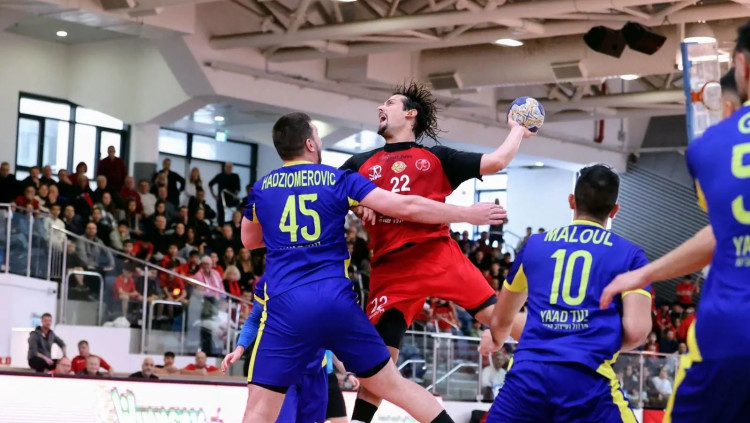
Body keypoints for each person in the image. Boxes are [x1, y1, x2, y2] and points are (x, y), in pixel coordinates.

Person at [223, 112, 505, 423]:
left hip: (285, 308)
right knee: (394, 386)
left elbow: (249, 240)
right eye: (317, 135)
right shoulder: (337, 179)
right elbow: (407, 206)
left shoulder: (262, 188)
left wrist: (286, 235)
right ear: (310, 144)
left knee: (259, 410)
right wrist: (467, 214)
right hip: (335, 304)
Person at [339, 81, 532, 422]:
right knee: (378, 365)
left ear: (410, 114)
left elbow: (497, 161)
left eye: (390, 102)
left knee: (496, 318)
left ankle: (566, 346)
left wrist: (518, 129)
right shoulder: (358, 164)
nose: (381, 107)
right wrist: (356, 202)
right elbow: (330, 193)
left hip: (436, 254)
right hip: (390, 269)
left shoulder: (437, 158)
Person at [599, 30, 750, 421]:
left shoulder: (710, 147)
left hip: (729, 333)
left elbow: (723, 231)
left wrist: (644, 274)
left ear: (742, 66)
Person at [481, 164, 653, 422]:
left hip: (527, 379)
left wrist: (497, 337)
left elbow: (500, 319)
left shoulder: (534, 246)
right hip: (587, 381)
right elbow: (637, 331)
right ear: (614, 210)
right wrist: (588, 334)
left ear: (572, 201)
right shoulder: (630, 255)